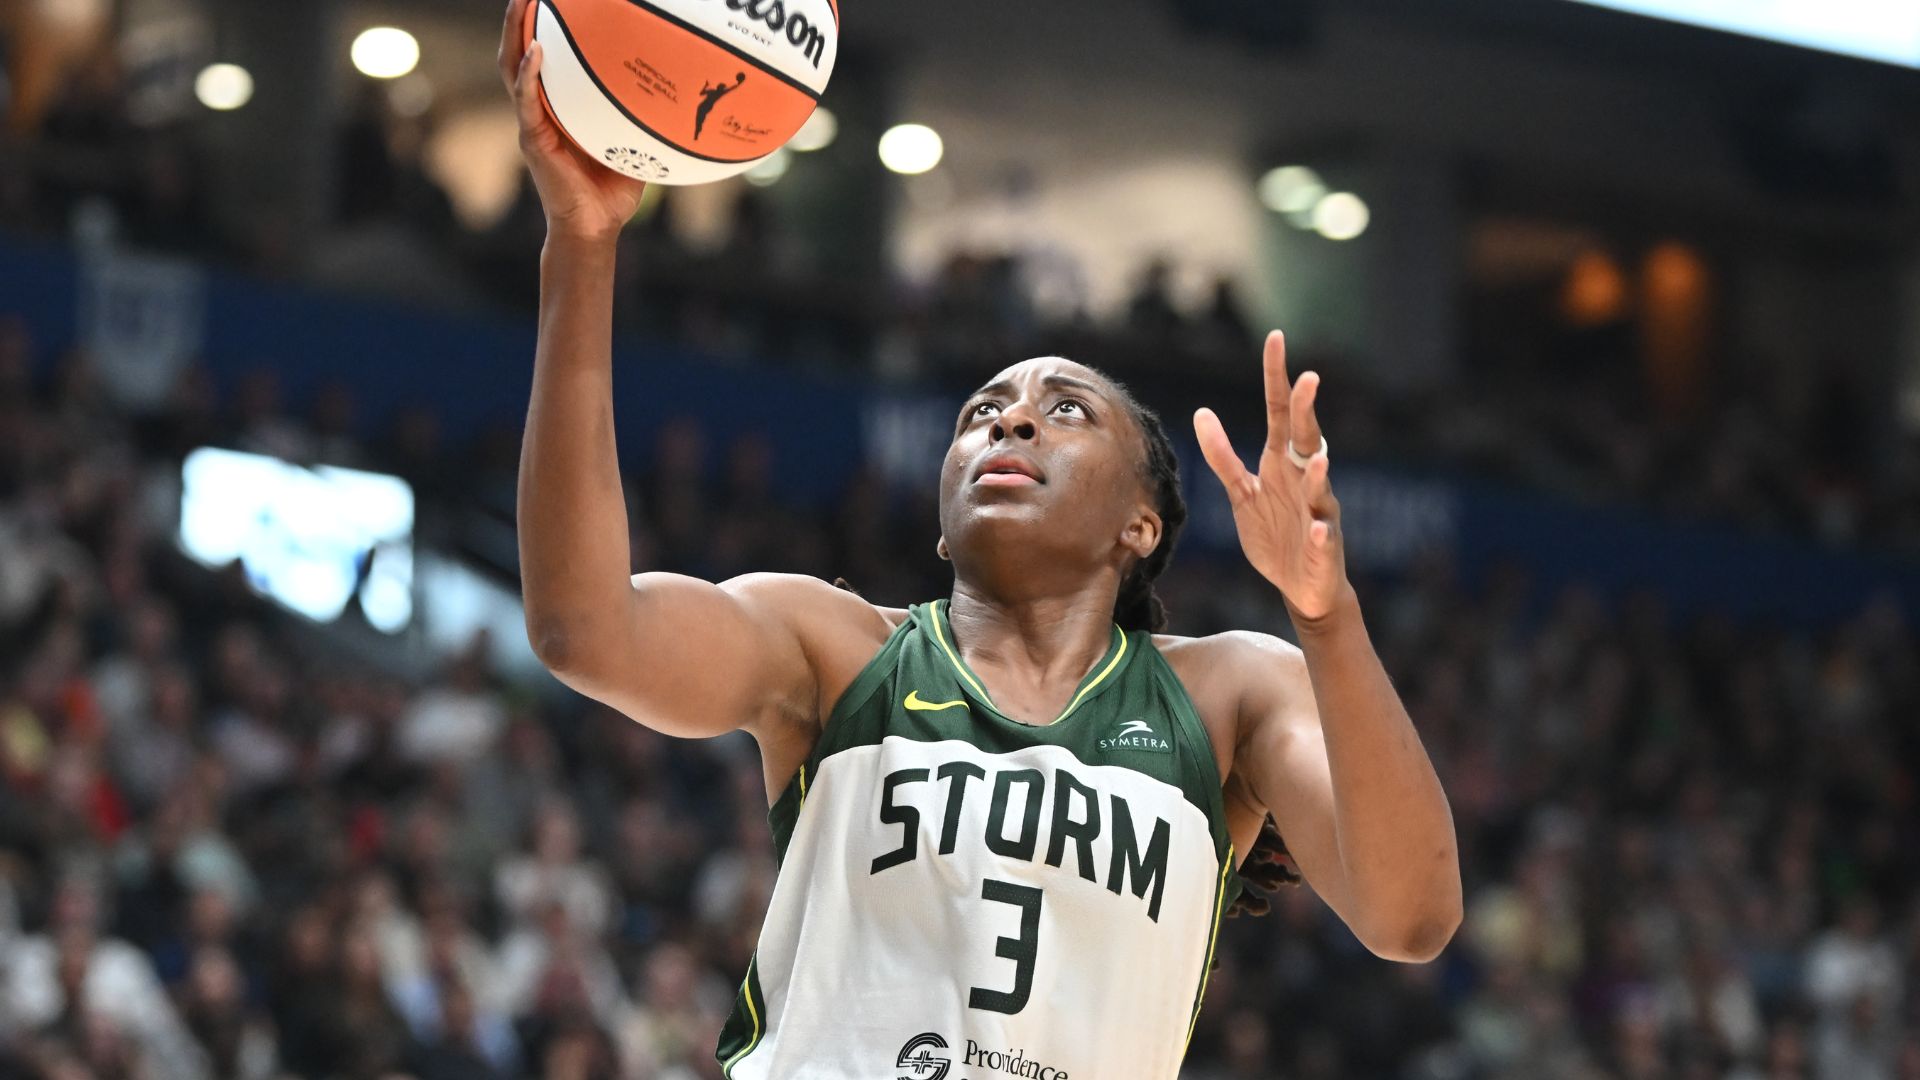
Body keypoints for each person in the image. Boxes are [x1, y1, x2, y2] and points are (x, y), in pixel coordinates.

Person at [497, 2, 1461, 1077]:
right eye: (982, 414)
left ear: (1141, 525)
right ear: (945, 525)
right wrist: (581, 247)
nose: (1009, 420)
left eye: (1067, 412)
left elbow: (1410, 917)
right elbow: (583, 628)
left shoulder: (1226, 698)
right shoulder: (837, 651)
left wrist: (1328, 617)